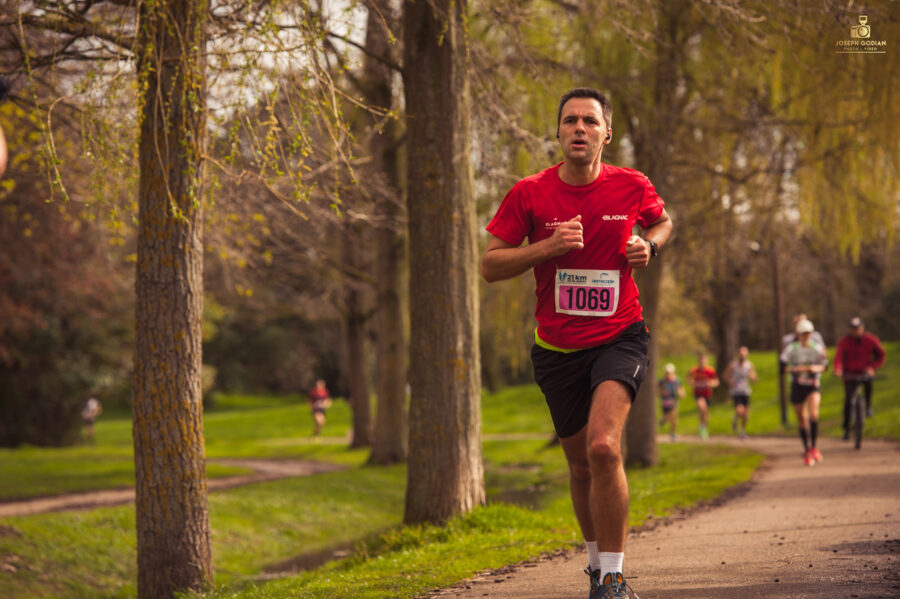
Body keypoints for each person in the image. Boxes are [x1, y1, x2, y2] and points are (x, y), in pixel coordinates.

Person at [481, 87, 672, 599]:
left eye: (590, 121)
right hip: (557, 348)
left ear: (607, 133)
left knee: (604, 448)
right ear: (559, 132)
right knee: (581, 465)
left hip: (620, 336)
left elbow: (662, 220)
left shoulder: (631, 184)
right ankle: (594, 567)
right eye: (570, 121)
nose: (580, 129)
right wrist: (546, 246)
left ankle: (613, 576)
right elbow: (490, 265)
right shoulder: (530, 193)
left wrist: (648, 246)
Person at [780, 318, 828, 466]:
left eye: (808, 333)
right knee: (802, 418)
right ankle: (806, 449)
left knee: (814, 414)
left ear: (811, 333)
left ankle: (814, 447)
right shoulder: (791, 349)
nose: (805, 336)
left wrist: (817, 368)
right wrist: (795, 369)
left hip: (813, 384)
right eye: (803, 333)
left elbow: (825, 365)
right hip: (797, 385)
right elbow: (782, 367)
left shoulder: (817, 347)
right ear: (798, 334)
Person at [834, 317, 886, 437]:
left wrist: (872, 367)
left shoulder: (870, 340)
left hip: (864, 372)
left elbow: (881, 355)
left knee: (868, 385)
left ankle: (868, 407)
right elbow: (838, 357)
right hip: (850, 374)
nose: (855, 331)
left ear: (862, 328)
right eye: (853, 329)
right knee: (848, 399)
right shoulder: (844, 341)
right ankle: (846, 427)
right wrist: (838, 369)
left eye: (857, 328)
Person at [724, 346, 757, 440]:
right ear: (738, 354)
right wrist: (730, 381)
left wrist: (752, 377)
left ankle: (742, 431)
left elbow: (754, 378)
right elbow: (725, 376)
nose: (742, 355)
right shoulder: (733, 365)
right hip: (736, 391)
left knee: (746, 415)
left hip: (746, 391)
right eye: (740, 353)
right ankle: (735, 418)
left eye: (744, 353)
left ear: (747, 355)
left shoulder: (749, 365)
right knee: (740, 410)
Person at [687, 352, 719, 441]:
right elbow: (688, 378)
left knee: (705, 412)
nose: (702, 362)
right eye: (700, 360)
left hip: (707, 394)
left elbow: (716, 381)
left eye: (704, 360)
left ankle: (704, 427)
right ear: (698, 361)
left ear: (706, 361)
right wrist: (691, 382)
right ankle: (702, 427)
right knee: (702, 407)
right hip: (698, 393)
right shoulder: (694, 370)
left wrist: (711, 383)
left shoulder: (710, 370)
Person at [657, 363, 684, 441]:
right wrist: (662, 392)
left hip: (674, 401)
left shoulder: (677, 380)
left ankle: (673, 433)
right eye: (667, 373)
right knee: (667, 416)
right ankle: (664, 420)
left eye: (670, 373)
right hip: (665, 402)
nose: (668, 375)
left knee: (674, 418)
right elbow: (657, 390)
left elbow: (681, 389)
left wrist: (681, 393)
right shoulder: (662, 381)